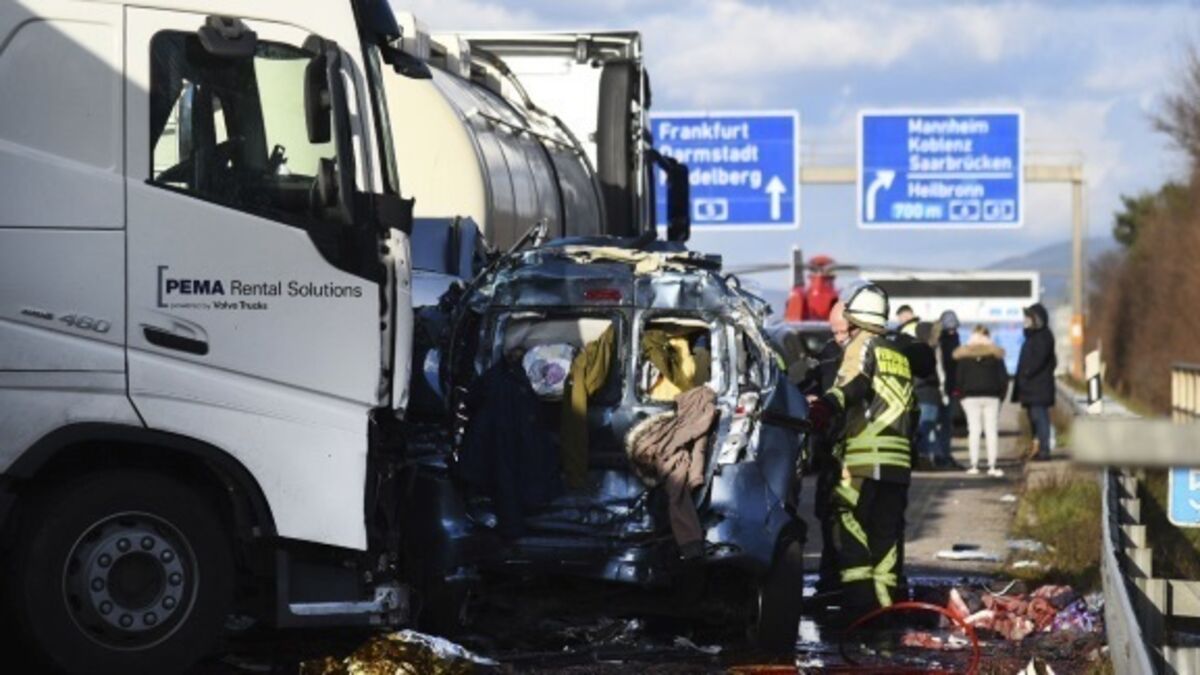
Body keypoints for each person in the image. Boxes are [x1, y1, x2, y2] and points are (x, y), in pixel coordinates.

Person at [808, 284, 913, 617]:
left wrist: (825, 405)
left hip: (864, 458)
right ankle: (885, 609)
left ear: (854, 319)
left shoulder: (862, 344)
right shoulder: (897, 355)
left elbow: (854, 383)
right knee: (886, 535)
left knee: (845, 520)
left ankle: (859, 607)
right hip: (898, 463)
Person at [809, 302, 851, 594]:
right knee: (827, 513)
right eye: (834, 332)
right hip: (830, 446)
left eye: (843, 331)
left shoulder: (866, 354)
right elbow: (816, 385)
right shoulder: (828, 354)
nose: (839, 338)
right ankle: (830, 578)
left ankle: (850, 585)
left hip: (855, 446)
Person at [953, 326, 1009, 477]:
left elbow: (959, 379)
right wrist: (1000, 396)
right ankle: (992, 465)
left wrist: (961, 397)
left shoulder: (963, 355)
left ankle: (974, 464)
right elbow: (1003, 379)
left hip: (970, 397)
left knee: (974, 431)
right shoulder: (996, 355)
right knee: (991, 431)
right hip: (992, 397)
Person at [1013, 303, 1057, 461]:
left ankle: (1044, 449)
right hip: (1032, 388)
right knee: (1034, 419)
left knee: (1040, 418)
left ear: (1036, 320)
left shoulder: (1042, 337)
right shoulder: (1032, 337)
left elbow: (1038, 360)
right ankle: (1037, 447)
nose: (1025, 321)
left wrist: (1026, 373)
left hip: (1038, 387)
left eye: (1028, 318)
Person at [933, 310, 962, 467]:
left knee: (945, 424)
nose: (952, 330)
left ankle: (943, 454)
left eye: (954, 328)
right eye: (950, 328)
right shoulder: (940, 342)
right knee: (939, 424)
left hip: (948, 388)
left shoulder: (953, 339)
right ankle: (939, 455)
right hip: (938, 388)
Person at [913, 322, 942, 468]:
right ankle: (923, 458)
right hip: (928, 394)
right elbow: (934, 374)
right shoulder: (930, 351)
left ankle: (923, 457)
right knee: (926, 427)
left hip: (917, 393)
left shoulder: (912, 349)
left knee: (921, 428)